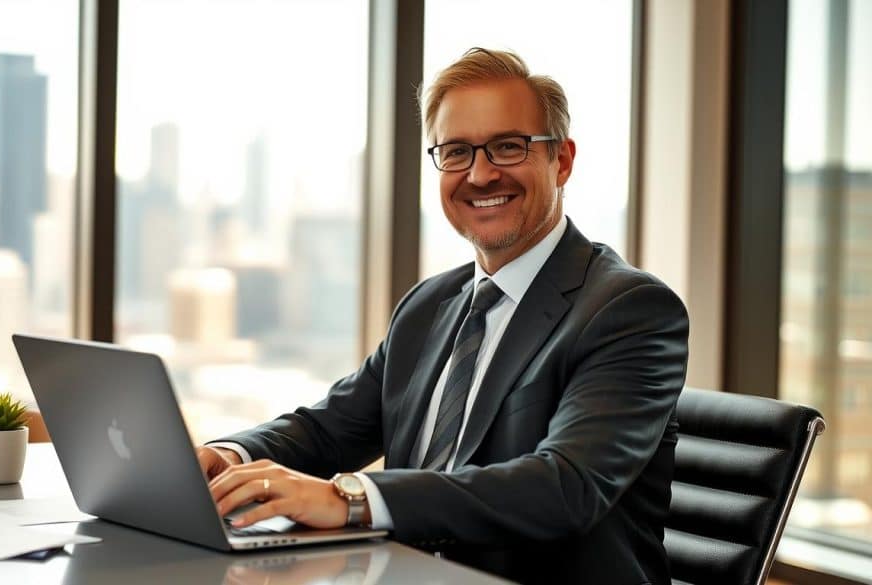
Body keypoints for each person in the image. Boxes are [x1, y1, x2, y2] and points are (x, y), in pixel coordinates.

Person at [198, 47, 689, 585]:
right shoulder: (429, 305)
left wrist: (351, 499)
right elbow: (328, 429)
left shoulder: (630, 310)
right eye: (456, 152)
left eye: (508, 147)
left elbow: (564, 487)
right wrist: (233, 457)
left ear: (562, 160)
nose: (480, 175)